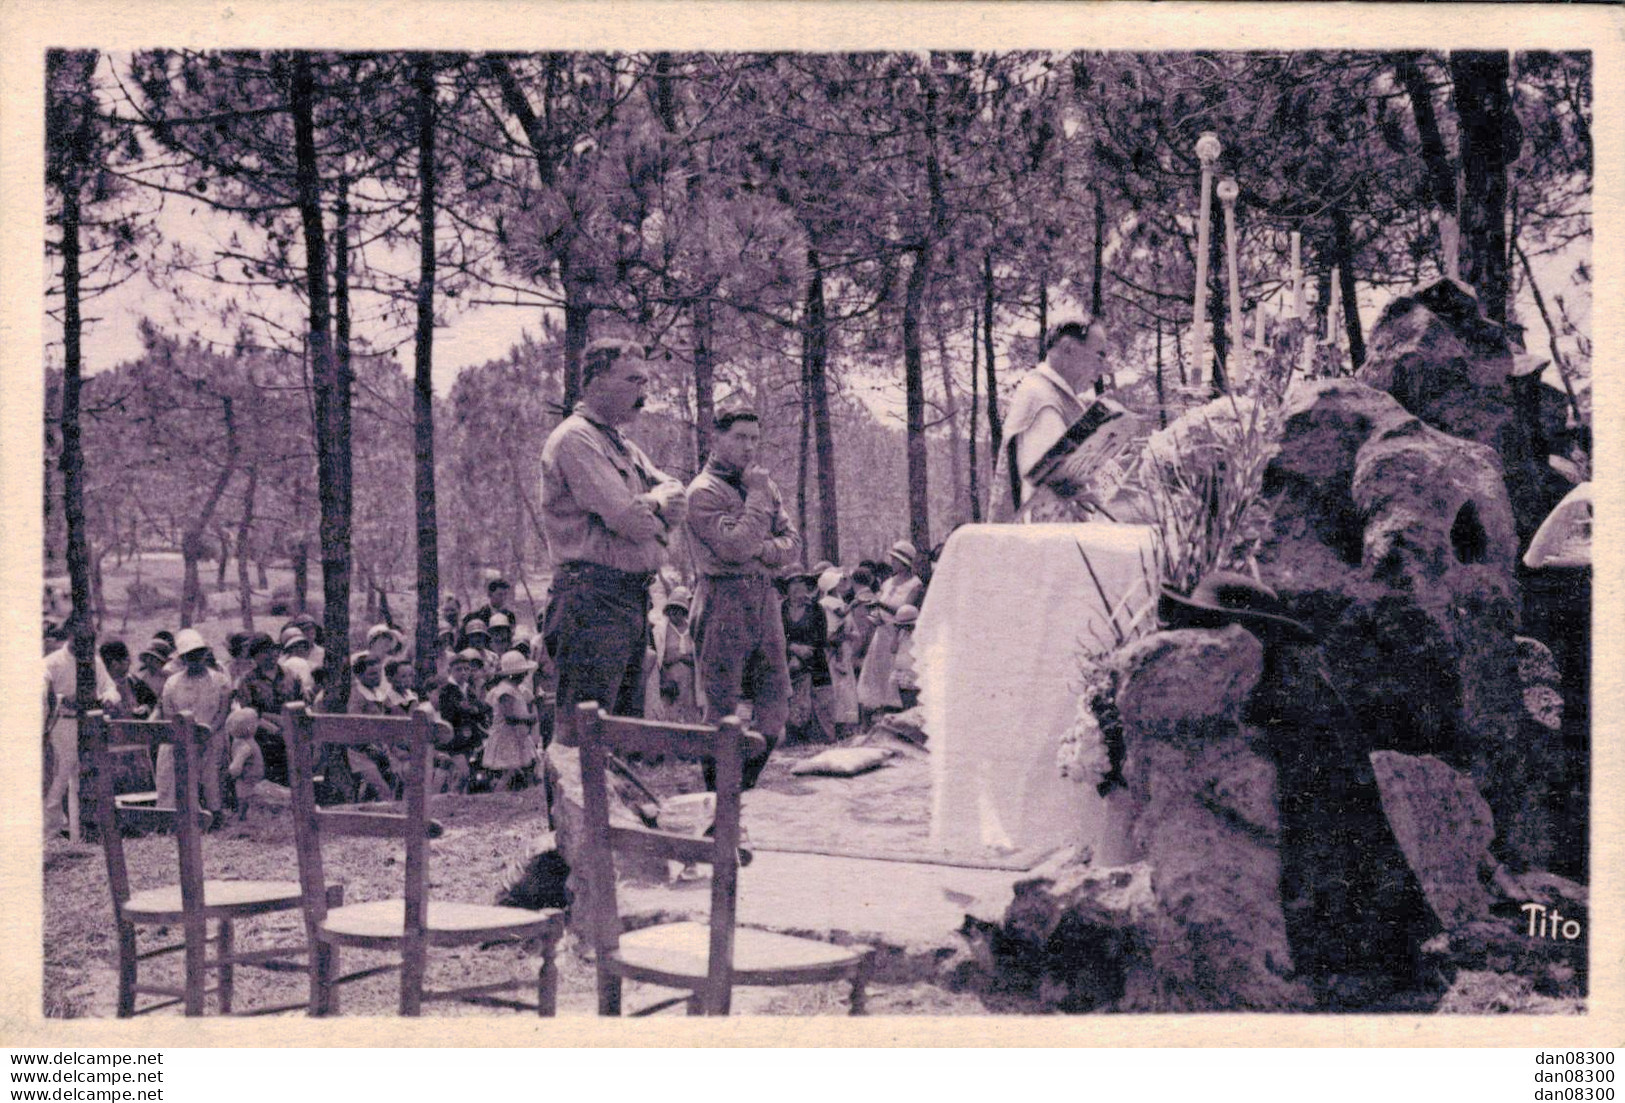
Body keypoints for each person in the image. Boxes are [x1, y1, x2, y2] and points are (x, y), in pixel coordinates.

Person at [539, 336, 687, 888]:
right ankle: (568, 866)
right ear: (596, 380)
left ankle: (617, 863)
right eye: (633, 380)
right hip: (590, 599)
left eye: (645, 380)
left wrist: (656, 506)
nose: (644, 393)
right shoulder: (575, 440)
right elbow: (629, 517)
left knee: (617, 736)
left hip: (625, 599)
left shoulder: (619, 443)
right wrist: (655, 509)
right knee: (581, 739)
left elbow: (674, 490)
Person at [685, 409, 799, 789]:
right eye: (739, 437)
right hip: (721, 600)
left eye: (754, 438)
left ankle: (741, 789)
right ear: (716, 439)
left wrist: (759, 548)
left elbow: (792, 546)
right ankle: (717, 802)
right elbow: (734, 548)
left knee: (775, 707)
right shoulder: (703, 491)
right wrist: (755, 500)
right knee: (720, 711)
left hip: (764, 598)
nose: (749, 446)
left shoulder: (763, 485)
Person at [993, 314, 1115, 522]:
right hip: (1051, 544)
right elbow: (1045, 502)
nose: (1104, 368)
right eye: (1099, 356)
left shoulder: (1054, 395)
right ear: (1068, 349)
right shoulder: (1043, 400)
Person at [42, 625, 121, 837]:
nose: (84, 643)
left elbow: (109, 687)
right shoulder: (52, 663)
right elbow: (42, 697)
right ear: (70, 636)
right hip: (62, 725)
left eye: (89, 639)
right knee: (57, 781)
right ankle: (50, 834)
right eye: (80, 638)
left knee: (86, 780)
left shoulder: (94, 661)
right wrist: (62, 699)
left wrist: (109, 698)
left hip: (89, 723)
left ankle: (84, 833)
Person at [157, 629, 232, 816]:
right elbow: (169, 713)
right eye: (189, 655)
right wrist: (184, 735)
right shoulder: (172, 683)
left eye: (198, 654)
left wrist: (208, 732)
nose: (195, 659)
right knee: (169, 757)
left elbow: (223, 712)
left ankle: (213, 812)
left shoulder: (220, 681)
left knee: (211, 766)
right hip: (181, 736)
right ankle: (172, 813)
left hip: (211, 735)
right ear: (182, 658)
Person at [856, 540, 924, 721]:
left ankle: (898, 717)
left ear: (904, 562)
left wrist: (881, 604)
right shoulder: (887, 583)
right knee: (875, 676)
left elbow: (904, 610)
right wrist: (873, 612)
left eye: (895, 559)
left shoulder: (915, 585)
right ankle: (875, 718)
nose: (892, 563)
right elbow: (879, 609)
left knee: (895, 678)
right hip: (881, 634)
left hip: (899, 636)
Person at [233, 634, 299, 785]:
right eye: (263, 652)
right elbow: (249, 714)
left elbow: (302, 703)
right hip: (264, 739)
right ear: (255, 657)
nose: (269, 656)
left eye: (271, 651)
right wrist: (273, 726)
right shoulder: (247, 681)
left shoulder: (292, 676)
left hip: (292, 734)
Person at [781, 570, 832, 742]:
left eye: (801, 582)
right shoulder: (780, 609)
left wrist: (804, 653)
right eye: (793, 583)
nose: (797, 587)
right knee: (790, 704)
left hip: (813, 662)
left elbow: (821, 637)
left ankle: (819, 740)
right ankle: (793, 740)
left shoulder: (816, 608)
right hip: (786, 663)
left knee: (819, 704)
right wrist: (792, 648)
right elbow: (775, 636)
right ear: (787, 587)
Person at [644, 587, 701, 724]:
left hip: (690, 683)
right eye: (672, 609)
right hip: (669, 682)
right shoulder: (660, 631)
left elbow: (700, 658)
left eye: (678, 609)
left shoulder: (693, 630)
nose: (675, 613)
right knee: (668, 716)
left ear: (684, 611)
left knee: (689, 718)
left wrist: (682, 657)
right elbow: (658, 658)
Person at [485, 650, 540, 790]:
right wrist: (529, 718)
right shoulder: (505, 691)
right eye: (522, 673)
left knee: (527, 765)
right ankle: (498, 795)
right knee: (509, 770)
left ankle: (530, 791)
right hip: (506, 735)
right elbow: (509, 716)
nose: (525, 675)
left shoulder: (516, 689)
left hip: (517, 734)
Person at [437, 649, 490, 792]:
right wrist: (468, 709)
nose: (463, 672)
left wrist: (472, 709)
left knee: (465, 770)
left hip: (468, 737)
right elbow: (448, 713)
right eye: (458, 669)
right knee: (463, 772)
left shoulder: (469, 690)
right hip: (454, 738)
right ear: (450, 671)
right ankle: (452, 795)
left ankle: (457, 795)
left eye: (467, 669)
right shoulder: (447, 690)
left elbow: (480, 708)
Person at [101, 640, 158, 720]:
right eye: (126, 660)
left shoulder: (134, 681)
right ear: (114, 664)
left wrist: (145, 708)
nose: (129, 663)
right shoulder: (101, 685)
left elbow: (152, 701)